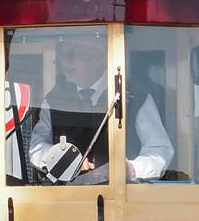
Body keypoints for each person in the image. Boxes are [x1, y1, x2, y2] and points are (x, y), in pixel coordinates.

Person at [29, 31, 173, 184]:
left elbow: (160, 150)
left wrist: (132, 169)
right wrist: (58, 157)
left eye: (71, 54)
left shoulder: (135, 95)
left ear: (96, 57)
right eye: (63, 54)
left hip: (122, 198)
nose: (66, 62)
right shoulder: (54, 99)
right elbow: (37, 147)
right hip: (68, 201)